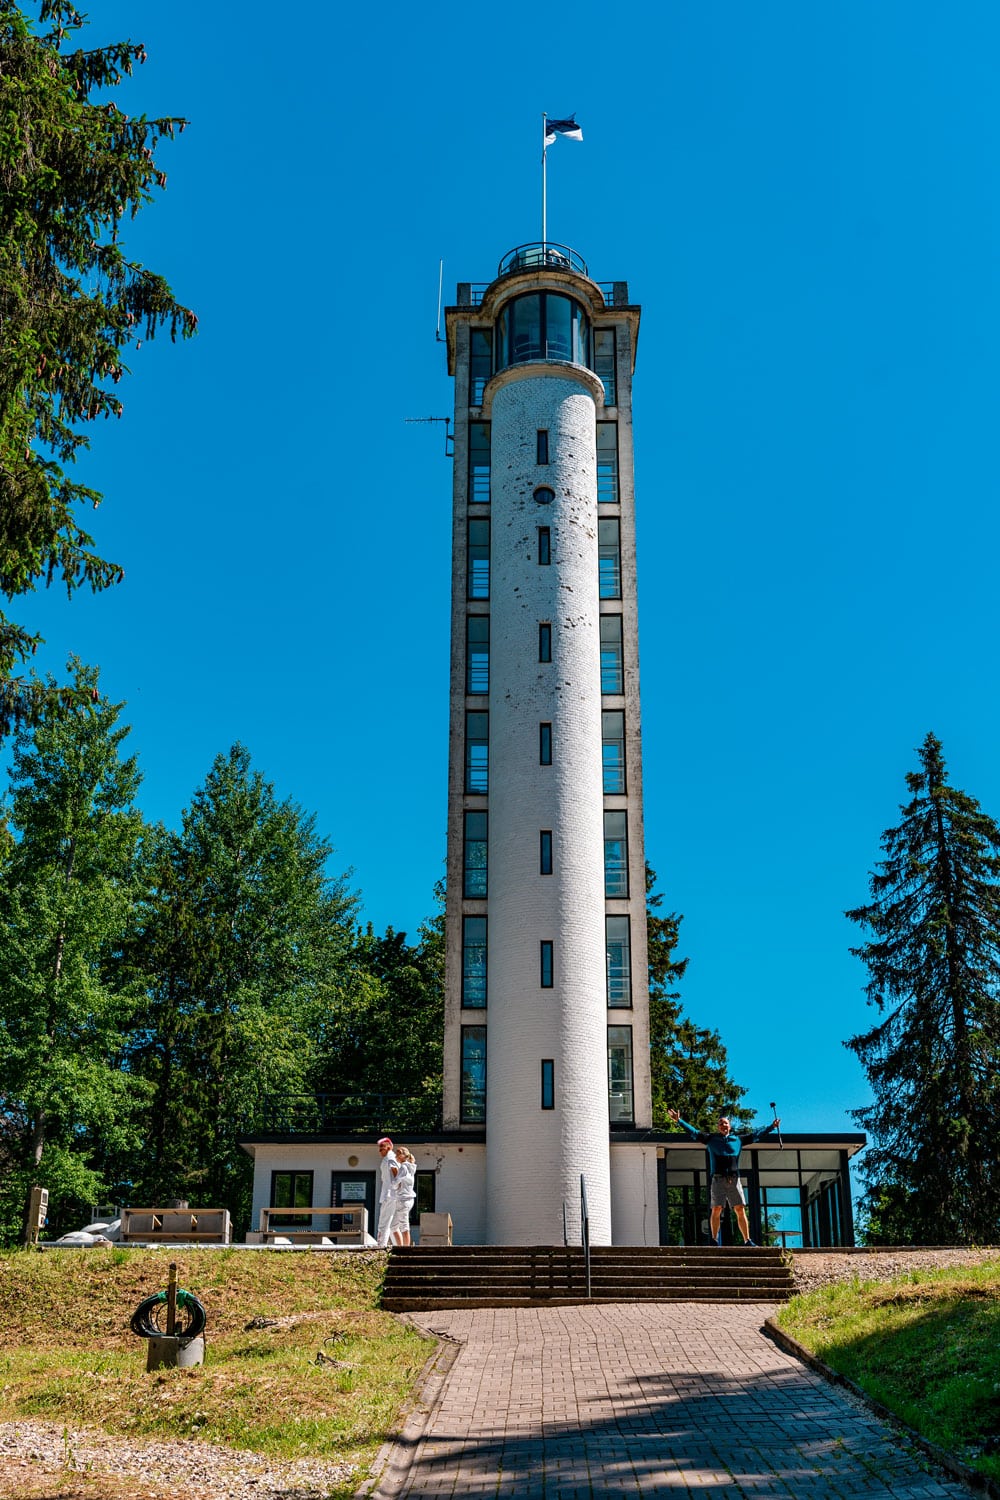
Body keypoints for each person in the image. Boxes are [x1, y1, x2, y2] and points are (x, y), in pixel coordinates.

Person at [667, 1108, 780, 1246]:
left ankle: (747, 1240)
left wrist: (772, 1127)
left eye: (725, 1123)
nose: (723, 1125)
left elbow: (756, 1135)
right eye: (720, 1123)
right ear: (718, 1127)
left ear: (729, 1126)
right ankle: (714, 1240)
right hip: (718, 1179)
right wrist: (679, 1121)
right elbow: (695, 1133)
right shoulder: (711, 1139)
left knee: (739, 1209)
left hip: (734, 1179)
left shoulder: (738, 1140)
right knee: (716, 1209)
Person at [387, 1145, 417, 1247]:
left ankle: (405, 1249)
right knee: (393, 1226)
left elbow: (395, 1182)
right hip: (406, 1199)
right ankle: (400, 1248)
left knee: (404, 1225)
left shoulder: (404, 1167)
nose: (395, 1155)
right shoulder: (410, 1167)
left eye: (397, 1153)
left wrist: (393, 1182)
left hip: (403, 1199)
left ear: (402, 1155)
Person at [376, 1136, 396, 1248]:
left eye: (381, 1148)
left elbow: (396, 1174)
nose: (379, 1151)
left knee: (384, 1221)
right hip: (389, 1193)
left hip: (389, 1194)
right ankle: (396, 1245)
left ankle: (381, 1244)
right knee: (391, 1223)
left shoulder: (390, 1159)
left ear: (388, 1147)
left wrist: (395, 1188)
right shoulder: (388, 1159)